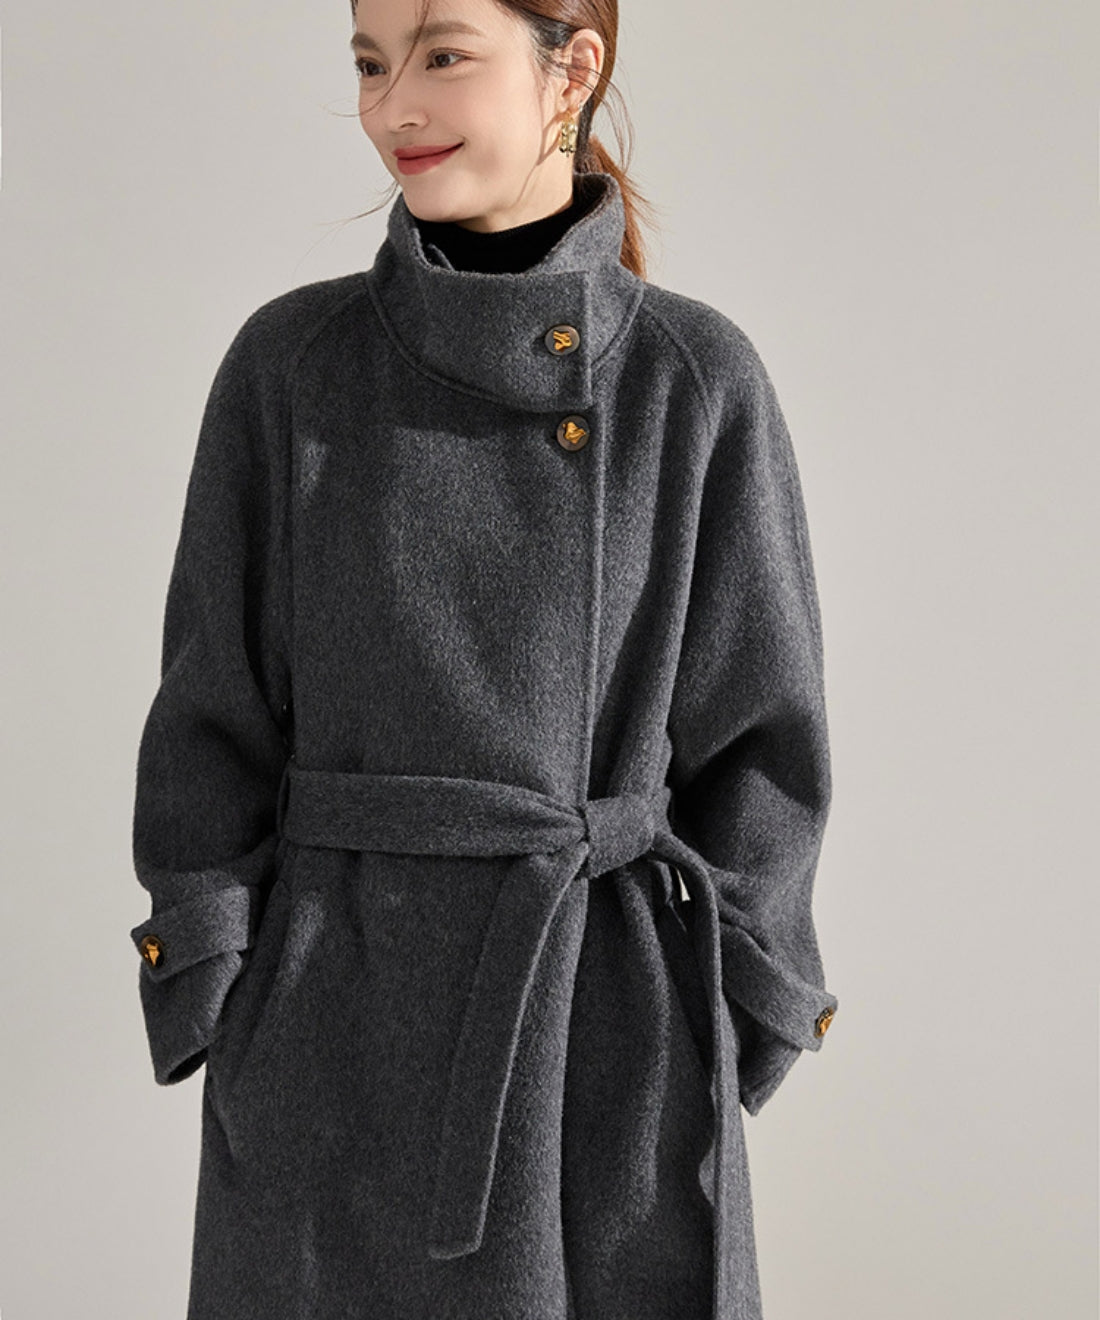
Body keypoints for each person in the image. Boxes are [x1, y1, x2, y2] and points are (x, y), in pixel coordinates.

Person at [128, 0, 839, 1316]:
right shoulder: (291, 367)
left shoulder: (691, 380)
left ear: (574, 68)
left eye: (443, 54)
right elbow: (209, 713)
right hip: (332, 1035)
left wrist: (738, 1003)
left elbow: (765, 740)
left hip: (602, 1032)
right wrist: (217, 972)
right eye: (369, 60)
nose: (393, 105)